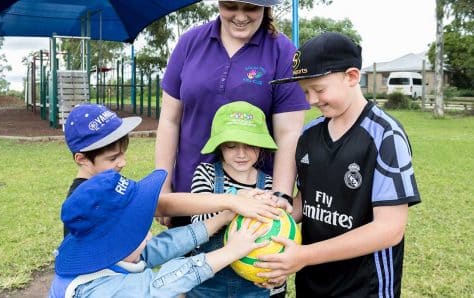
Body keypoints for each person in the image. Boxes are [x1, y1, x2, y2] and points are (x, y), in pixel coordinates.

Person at [254, 32, 422, 297]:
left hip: (365, 287)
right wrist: (281, 212)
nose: (311, 100)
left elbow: (389, 230)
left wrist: (305, 255)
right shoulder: (309, 135)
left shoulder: (385, 135)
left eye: (319, 89)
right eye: (305, 91)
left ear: (352, 77)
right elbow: (308, 201)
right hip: (312, 282)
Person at [155, 0, 309, 229]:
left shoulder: (282, 52)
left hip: (253, 203)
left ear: (266, 7)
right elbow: (169, 120)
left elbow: (289, 133)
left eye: (250, 8)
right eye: (230, 6)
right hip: (190, 197)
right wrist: (163, 188)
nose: (240, 16)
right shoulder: (190, 43)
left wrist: (281, 194)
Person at [62, 103, 285, 237]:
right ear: (81, 159)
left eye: (122, 153)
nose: (123, 162)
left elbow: (162, 205)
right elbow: (159, 207)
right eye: (113, 157)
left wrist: (230, 201)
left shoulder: (109, 182)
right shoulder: (87, 199)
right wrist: (232, 200)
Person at [49, 169, 271, 297]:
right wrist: (231, 251)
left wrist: (221, 217)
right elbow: (160, 284)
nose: (148, 235)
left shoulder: (108, 254)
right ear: (114, 242)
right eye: (140, 229)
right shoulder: (98, 291)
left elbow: (163, 246)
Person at [188, 101, 288, 297]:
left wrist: (278, 273)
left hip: (252, 283)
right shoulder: (206, 174)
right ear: (220, 147)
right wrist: (234, 200)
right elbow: (198, 223)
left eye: (250, 146)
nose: (241, 154)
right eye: (232, 146)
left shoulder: (268, 184)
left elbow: (280, 233)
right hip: (208, 280)